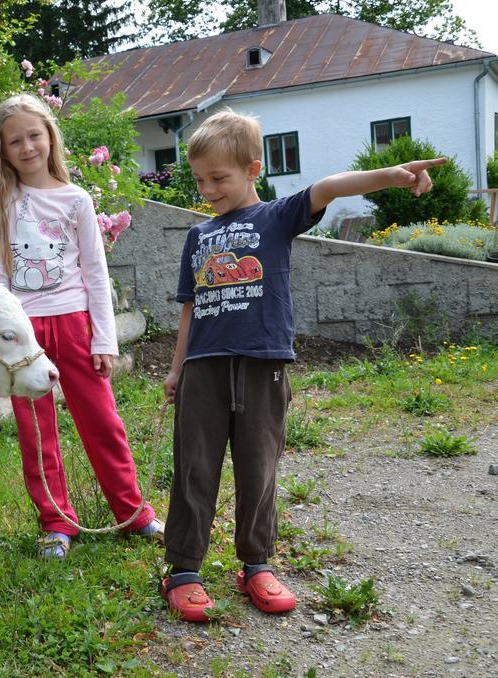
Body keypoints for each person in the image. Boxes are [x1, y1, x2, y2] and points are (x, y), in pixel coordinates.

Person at [161, 108, 444, 622]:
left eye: (218, 178)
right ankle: (183, 570)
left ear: (253, 169)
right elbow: (189, 305)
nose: (207, 189)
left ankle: (256, 564)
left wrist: (393, 175)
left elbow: (330, 186)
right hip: (203, 368)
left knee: (258, 469)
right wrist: (177, 368)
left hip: (264, 366)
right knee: (195, 470)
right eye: (200, 179)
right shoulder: (198, 237)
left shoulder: (277, 216)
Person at [0, 94, 163, 560]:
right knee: (36, 429)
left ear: (50, 138)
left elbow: (95, 274)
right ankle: (55, 522)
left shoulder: (76, 199)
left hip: (75, 322)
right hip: (24, 331)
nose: (26, 147)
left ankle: (132, 512)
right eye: (15, 140)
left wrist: (104, 338)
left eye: (34, 135)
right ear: (2, 149)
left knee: (101, 419)